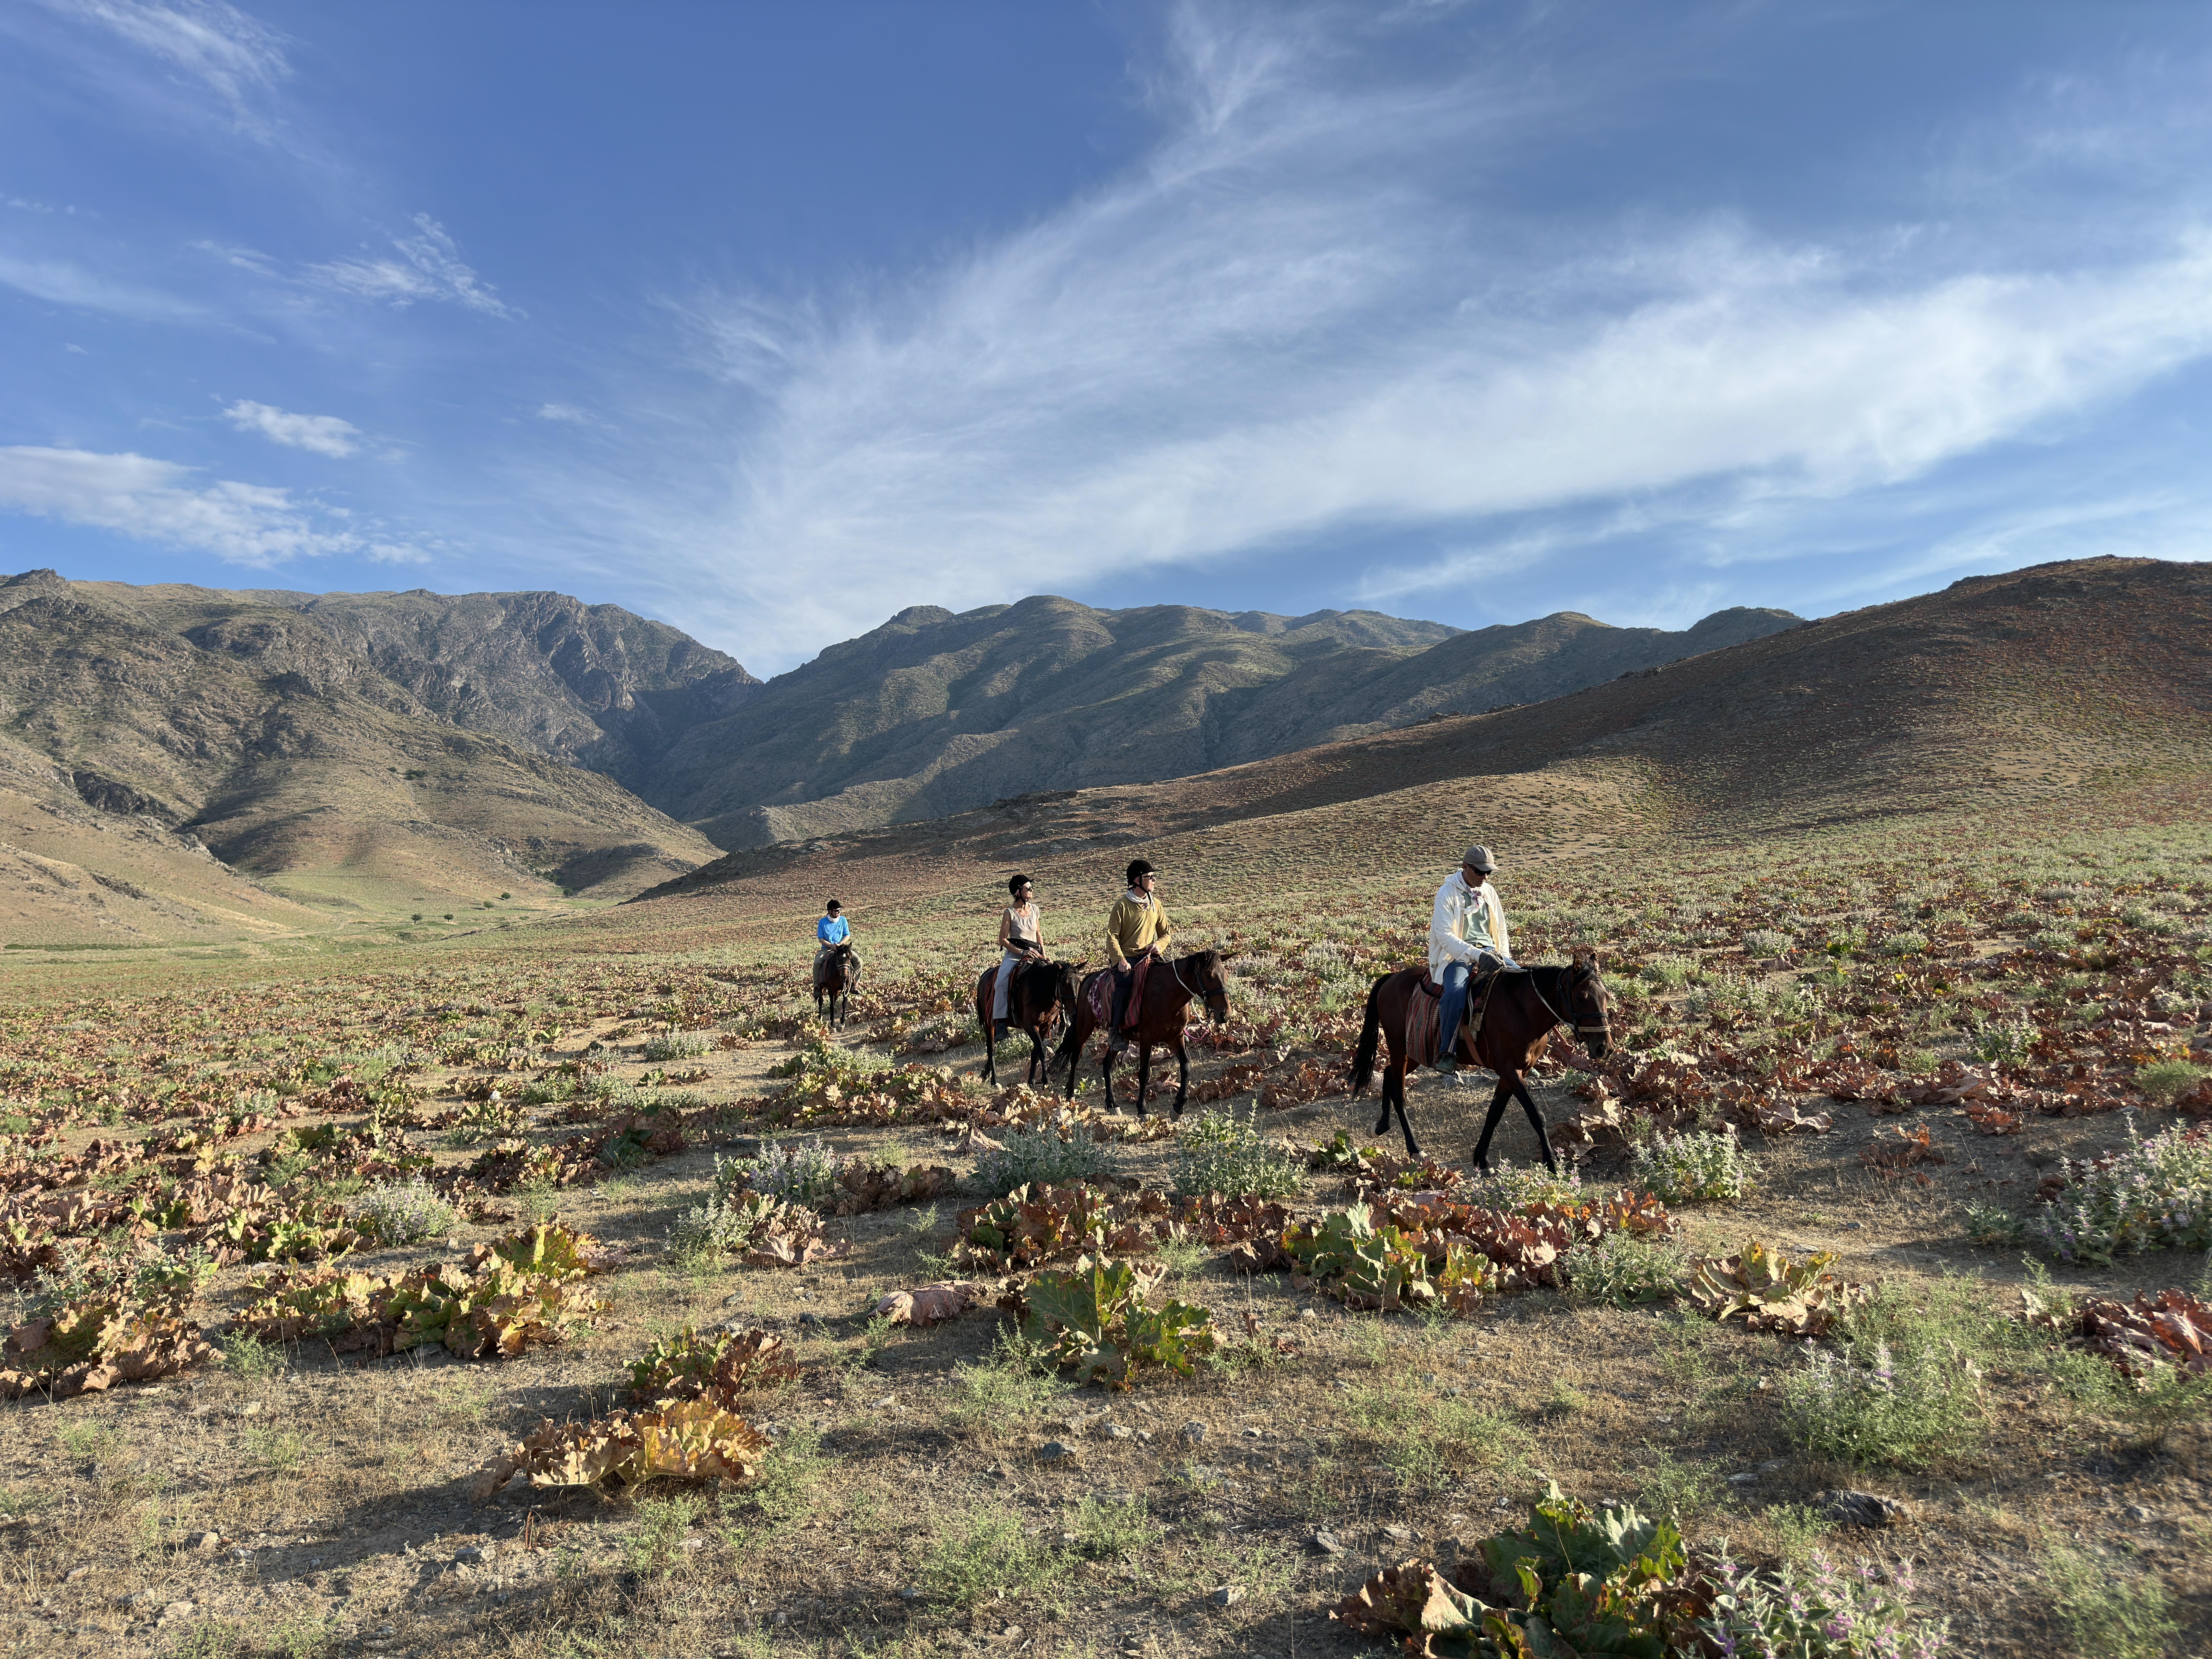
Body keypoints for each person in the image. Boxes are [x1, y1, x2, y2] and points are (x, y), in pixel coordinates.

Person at [1429, 845, 1519, 1076]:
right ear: (1465, 867)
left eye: (1488, 872)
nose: (1485, 877)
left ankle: (1519, 1051)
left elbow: (1500, 929)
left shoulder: (1489, 892)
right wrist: (1478, 955)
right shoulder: (1447, 893)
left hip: (1491, 952)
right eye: (1480, 872)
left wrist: (1505, 957)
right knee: (1456, 994)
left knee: (1521, 982)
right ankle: (1447, 1052)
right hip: (1457, 957)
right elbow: (1445, 936)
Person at [1104, 858, 1175, 1052]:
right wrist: (1121, 961)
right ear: (1137, 880)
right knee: (1125, 983)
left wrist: (1159, 946)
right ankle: (1116, 1031)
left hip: (1150, 957)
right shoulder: (1122, 905)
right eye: (1149, 877)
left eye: (1154, 876)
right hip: (1128, 959)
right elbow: (1112, 937)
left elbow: (1166, 933)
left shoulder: (1157, 905)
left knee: (1173, 975)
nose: (1154, 880)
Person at [992, 874, 1046, 1043]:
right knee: (1001, 982)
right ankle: (1001, 1023)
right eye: (1028, 888)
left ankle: (1060, 1016)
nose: (1032, 890)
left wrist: (1044, 953)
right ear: (1018, 892)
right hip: (1015, 956)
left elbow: (1038, 934)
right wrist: (1022, 953)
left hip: (1036, 954)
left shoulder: (1035, 910)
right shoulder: (1009, 913)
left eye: (1031, 887)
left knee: (1055, 975)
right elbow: (1003, 940)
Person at [813, 899, 857, 985]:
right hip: (827, 949)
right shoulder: (822, 922)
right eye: (837, 911)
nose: (839, 912)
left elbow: (847, 935)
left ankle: (854, 983)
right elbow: (821, 939)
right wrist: (831, 946)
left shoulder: (843, 920)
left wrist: (840, 944)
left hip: (842, 948)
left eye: (840, 910)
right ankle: (817, 987)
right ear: (830, 911)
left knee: (859, 961)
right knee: (817, 963)